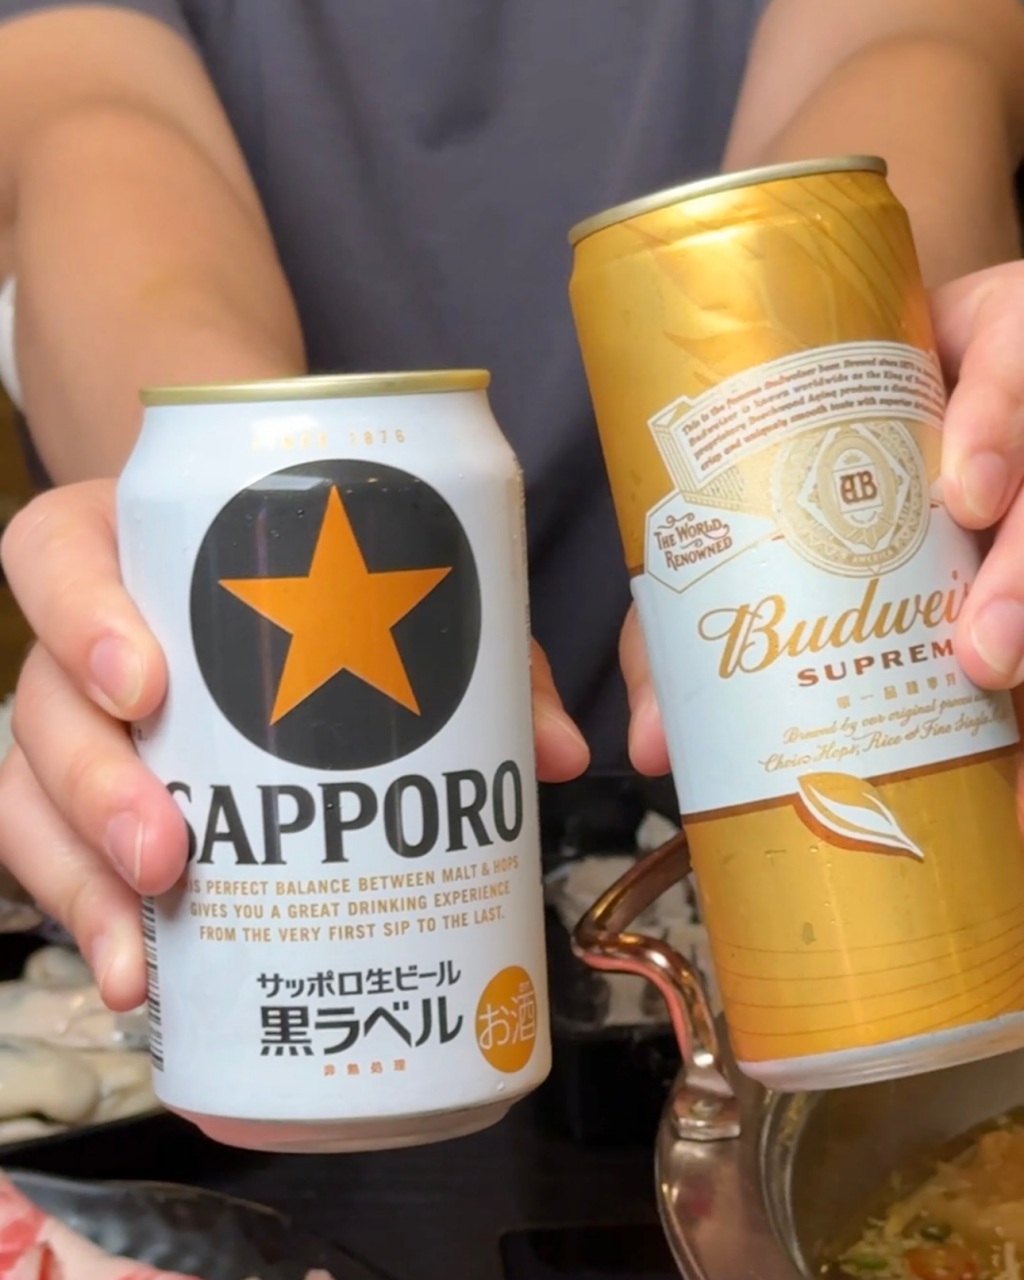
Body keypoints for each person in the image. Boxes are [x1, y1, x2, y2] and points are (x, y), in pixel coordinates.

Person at [0, 0, 1022, 1015]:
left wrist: (908, 424)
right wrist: (222, 547)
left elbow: (907, 55)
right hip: (303, 910)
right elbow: (92, 132)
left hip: (828, 853)